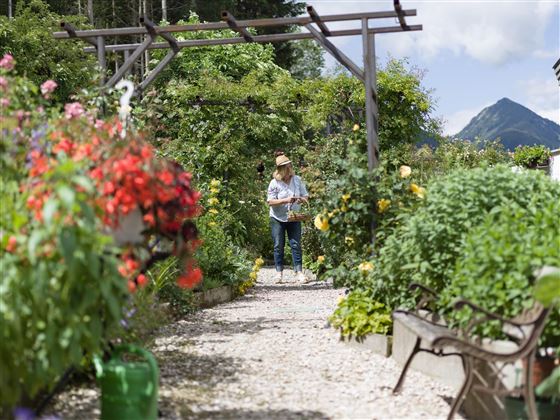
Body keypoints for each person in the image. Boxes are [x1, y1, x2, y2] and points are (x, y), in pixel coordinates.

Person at [266, 152, 309, 283]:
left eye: (290, 165)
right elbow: (270, 202)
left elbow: (305, 195)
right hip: (277, 218)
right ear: (281, 169)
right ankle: (279, 273)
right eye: (287, 166)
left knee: (296, 244)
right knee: (278, 245)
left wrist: (301, 199)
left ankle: (299, 272)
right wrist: (286, 200)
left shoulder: (297, 180)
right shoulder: (274, 183)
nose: (290, 168)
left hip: (294, 217)